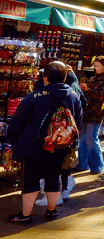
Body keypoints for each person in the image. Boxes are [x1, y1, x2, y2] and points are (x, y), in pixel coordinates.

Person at [7, 61, 82, 224]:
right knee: (54, 175)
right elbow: (78, 121)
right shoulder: (74, 96)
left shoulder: (34, 96)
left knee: (30, 178)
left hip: (32, 144)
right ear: (64, 77)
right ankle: (51, 210)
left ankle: (25, 214)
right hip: (60, 144)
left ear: (45, 78)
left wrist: (11, 139)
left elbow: (18, 120)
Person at [76, 56, 104, 174]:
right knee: (82, 139)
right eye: (95, 66)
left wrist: (88, 90)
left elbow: (102, 97)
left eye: (98, 66)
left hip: (96, 113)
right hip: (86, 111)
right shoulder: (93, 79)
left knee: (91, 139)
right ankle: (83, 164)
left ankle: (97, 165)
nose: (96, 68)